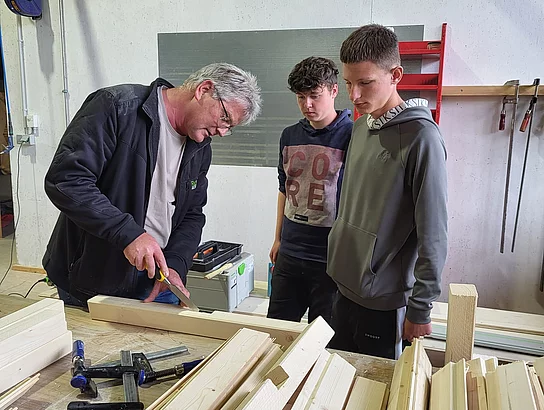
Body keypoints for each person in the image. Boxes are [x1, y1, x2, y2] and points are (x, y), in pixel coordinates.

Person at [43, 63, 262, 308]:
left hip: (158, 280)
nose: (222, 131)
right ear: (204, 90)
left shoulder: (200, 147)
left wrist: (176, 264)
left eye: (230, 128)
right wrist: (129, 234)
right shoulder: (117, 107)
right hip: (93, 277)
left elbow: (192, 213)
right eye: (225, 118)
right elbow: (66, 180)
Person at [327, 24, 448, 359]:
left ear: (395, 75)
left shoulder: (422, 138)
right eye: (348, 83)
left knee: (376, 383)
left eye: (365, 83)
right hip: (344, 286)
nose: (354, 95)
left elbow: (434, 233)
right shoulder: (360, 127)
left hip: (383, 299)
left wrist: (420, 308)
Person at [267, 56, 353, 324]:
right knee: (277, 328)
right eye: (301, 97)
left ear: (334, 90)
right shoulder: (289, 135)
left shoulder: (353, 136)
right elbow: (283, 188)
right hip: (290, 251)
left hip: (330, 257)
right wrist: (278, 238)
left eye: (315, 96)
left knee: (322, 336)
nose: (308, 105)